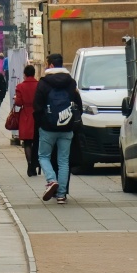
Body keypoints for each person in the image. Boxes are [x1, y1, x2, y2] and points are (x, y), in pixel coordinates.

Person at [33, 53, 82, 204]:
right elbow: (78, 104)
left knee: (43, 156)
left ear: (51, 65)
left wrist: (41, 123)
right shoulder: (71, 83)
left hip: (48, 128)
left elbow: (37, 106)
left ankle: (51, 180)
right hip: (67, 127)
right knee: (63, 161)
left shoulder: (43, 83)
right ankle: (61, 195)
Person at [12, 64, 41, 176]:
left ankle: (30, 165)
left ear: (24, 74)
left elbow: (19, 103)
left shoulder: (20, 86)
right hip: (37, 114)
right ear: (34, 73)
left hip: (26, 115)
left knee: (27, 142)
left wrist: (16, 99)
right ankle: (35, 163)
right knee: (36, 141)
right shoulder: (39, 85)